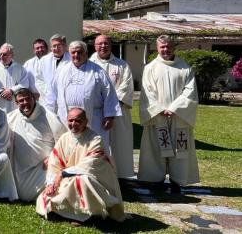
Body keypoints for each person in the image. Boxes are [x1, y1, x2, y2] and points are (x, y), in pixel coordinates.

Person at [36, 108, 124, 223]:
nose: (73, 124)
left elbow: (89, 165)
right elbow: (54, 163)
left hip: (94, 180)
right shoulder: (64, 138)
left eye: (78, 121)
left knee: (81, 180)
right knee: (48, 196)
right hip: (65, 178)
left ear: (86, 122)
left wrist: (62, 174)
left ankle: (86, 214)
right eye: (70, 120)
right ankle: (68, 213)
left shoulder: (95, 139)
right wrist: (51, 184)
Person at [138, 35, 199, 193]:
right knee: (156, 149)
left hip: (178, 117)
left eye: (168, 46)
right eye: (162, 47)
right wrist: (160, 109)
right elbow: (147, 92)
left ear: (174, 47)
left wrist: (174, 108)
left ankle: (177, 181)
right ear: (157, 48)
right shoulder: (150, 68)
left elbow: (190, 92)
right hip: (158, 116)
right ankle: (156, 180)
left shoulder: (185, 68)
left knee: (180, 150)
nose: (165, 49)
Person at [45, 41, 121, 150]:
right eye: (73, 52)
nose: (76, 55)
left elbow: (109, 94)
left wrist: (109, 116)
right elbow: (51, 93)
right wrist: (50, 114)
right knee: (69, 148)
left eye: (79, 52)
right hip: (67, 119)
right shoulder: (61, 70)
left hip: (94, 119)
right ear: (69, 54)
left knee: (93, 149)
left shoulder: (97, 71)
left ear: (85, 53)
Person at [7, 88, 66, 202]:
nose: (25, 103)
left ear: (34, 98)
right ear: (16, 103)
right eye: (21, 100)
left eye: (28, 99)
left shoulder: (49, 117)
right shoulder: (11, 118)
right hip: (20, 169)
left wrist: (53, 157)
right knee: (23, 195)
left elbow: (64, 141)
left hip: (43, 168)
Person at [90, 34, 135, 181]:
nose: (103, 46)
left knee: (118, 145)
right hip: (96, 113)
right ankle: (98, 175)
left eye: (106, 43)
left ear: (111, 45)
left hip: (118, 113)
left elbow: (126, 87)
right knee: (97, 144)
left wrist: (111, 108)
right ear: (95, 46)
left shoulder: (122, 65)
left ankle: (119, 176)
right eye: (100, 44)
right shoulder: (89, 64)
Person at [0, 43, 35, 113]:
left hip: (14, 102)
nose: (1, 56)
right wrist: (0, 92)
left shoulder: (20, 68)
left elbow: (25, 84)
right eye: (0, 54)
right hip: (0, 102)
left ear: (11, 55)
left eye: (4, 54)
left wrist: (11, 91)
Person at [36, 34, 70, 100]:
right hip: (48, 99)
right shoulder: (44, 60)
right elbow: (39, 79)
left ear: (65, 46)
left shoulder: (71, 60)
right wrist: (47, 92)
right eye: (54, 46)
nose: (56, 48)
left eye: (59, 46)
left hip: (66, 97)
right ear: (51, 48)